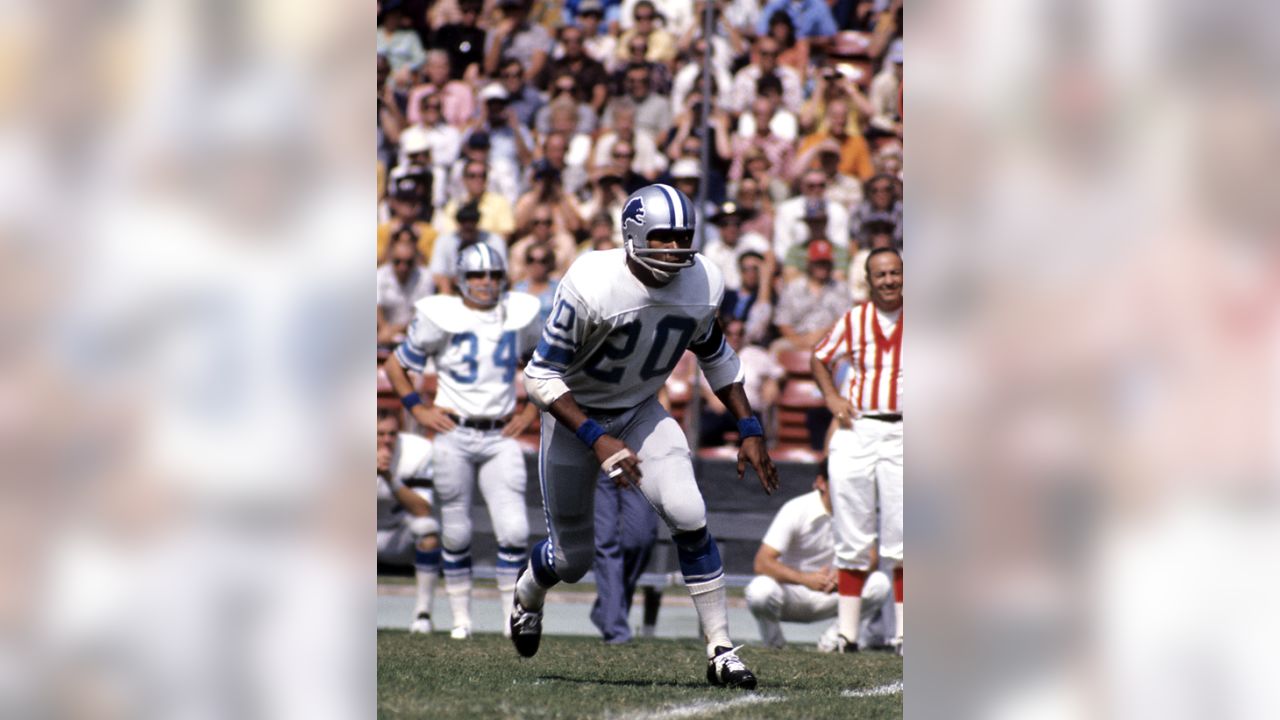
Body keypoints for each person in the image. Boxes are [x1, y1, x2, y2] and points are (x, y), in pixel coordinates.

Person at [510, 183, 779, 690]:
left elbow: (716, 353)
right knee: (572, 561)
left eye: (683, 238)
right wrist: (595, 436)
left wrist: (749, 425)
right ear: (634, 235)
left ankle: (720, 648)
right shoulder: (592, 280)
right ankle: (528, 594)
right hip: (574, 419)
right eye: (664, 237)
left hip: (638, 411)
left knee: (688, 512)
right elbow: (539, 376)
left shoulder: (703, 281)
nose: (676, 249)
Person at [383, 243, 544, 640]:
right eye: (477, 275)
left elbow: (546, 368)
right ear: (461, 279)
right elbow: (395, 365)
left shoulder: (519, 314)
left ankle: (511, 618)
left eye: (493, 275)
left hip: (498, 432)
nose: (487, 283)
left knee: (515, 531)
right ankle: (461, 621)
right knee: (455, 531)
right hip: (454, 431)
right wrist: (417, 409)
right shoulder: (442, 315)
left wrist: (530, 411)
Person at [809, 247, 904, 655]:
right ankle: (847, 633)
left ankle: (904, 633)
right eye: (880, 275)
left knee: (904, 535)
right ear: (869, 280)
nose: (888, 281)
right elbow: (819, 356)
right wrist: (832, 397)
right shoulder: (855, 318)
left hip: (905, 430)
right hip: (859, 426)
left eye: (895, 273)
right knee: (851, 528)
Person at [745, 458, 893, 650]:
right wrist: (805, 579)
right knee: (760, 590)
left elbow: (872, 558)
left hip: (833, 594)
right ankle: (775, 646)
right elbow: (762, 562)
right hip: (792, 594)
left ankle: (834, 642)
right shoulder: (796, 508)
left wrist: (845, 575)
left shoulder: (859, 513)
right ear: (821, 483)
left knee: (879, 583)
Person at [375, 408, 441, 634]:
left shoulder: (416, 450)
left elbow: (422, 509)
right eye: (379, 434)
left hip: (396, 535)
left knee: (428, 529)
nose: (387, 440)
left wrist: (388, 477)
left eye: (392, 434)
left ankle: (423, 615)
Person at [429, 202, 507, 294]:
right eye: (464, 221)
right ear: (458, 222)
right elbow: (437, 273)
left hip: (485, 288)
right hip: (453, 290)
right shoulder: (445, 241)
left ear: (478, 221)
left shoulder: (493, 240)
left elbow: (502, 273)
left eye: (472, 220)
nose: (468, 225)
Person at [377, 237, 435, 345]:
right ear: (390, 259)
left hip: (415, 334)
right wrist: (384, 329)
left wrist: (394, 330)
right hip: (381, 334)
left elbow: (424, 314)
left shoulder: (425, 277)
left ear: (415, 260)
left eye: (408, 262)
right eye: (397, 261)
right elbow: (375, 307)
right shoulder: (379, 275)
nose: (403, 267)